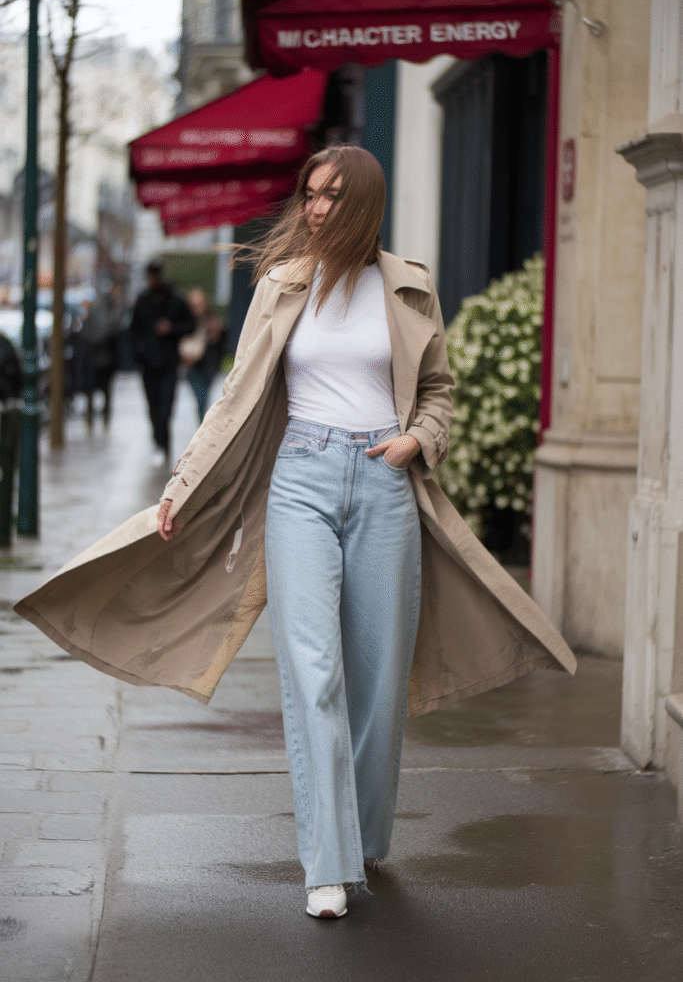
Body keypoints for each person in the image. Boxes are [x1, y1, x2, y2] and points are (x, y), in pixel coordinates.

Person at [15, 147, 576, 922]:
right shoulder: (281, 286)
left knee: (378, 680)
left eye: (333, 196)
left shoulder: (407, 285)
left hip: (384, 482)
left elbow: (439, 390)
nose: (316, 208)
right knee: (313, 672)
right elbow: (234, 394)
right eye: (310, 194)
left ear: (365, 204)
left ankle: (365, 839)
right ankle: (327, 860)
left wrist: (419, 440)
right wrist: (181, 483)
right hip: (301, 481)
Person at [130, 261, 196, 464]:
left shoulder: (175, 300)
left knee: (166, 406)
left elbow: (190, 324)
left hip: (168, 363)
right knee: (153, 406)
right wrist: (138, 354)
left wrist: (172, 328)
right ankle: (159, 442)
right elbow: (133, 331)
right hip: (148, 365)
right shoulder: (142, 300)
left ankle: (164, 445)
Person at [79, 284, 124, 427]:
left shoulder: (98, 309)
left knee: (97, 387)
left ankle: (95, 413)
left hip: (100, 355)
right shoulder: (103, 311)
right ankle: (100, 413)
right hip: (102, 356)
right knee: (101, 387)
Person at [180, 287, 227, 422]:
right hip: (192, 366)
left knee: (204, 397)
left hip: (210, 366)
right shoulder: (187, 321)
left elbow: (221, 344)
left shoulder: (214, 320)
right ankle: (202, 425)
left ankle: (202, 426)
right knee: (201, 398)